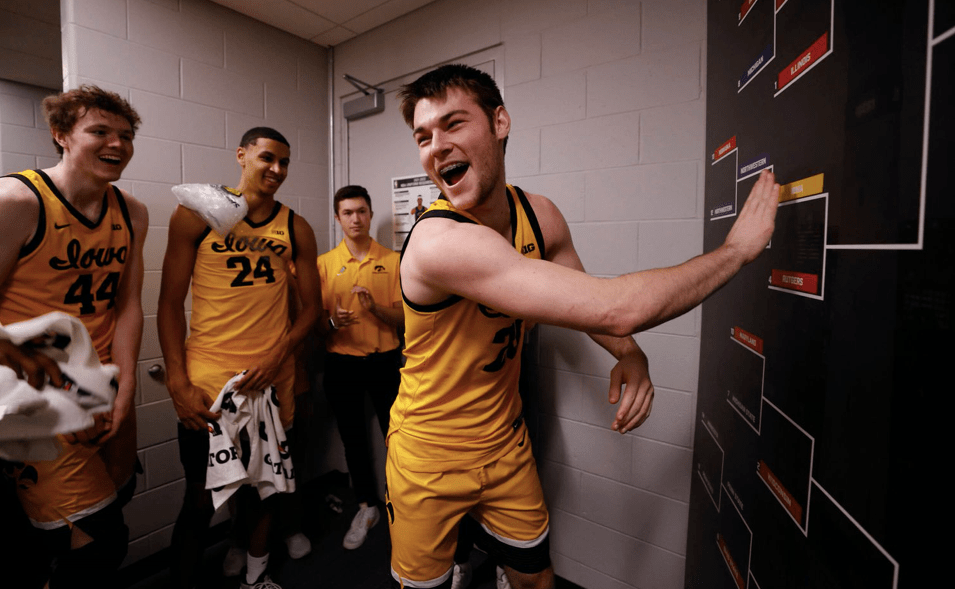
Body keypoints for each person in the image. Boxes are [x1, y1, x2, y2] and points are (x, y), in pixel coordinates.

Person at [388, 64, 780, 589]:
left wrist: (629, 353)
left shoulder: (540, 215)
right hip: (428, 455)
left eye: (453, 124)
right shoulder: (439, 242)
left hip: (504, 444)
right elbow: (617, 308)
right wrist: (734, 252)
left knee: (536, 580)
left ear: (500, 122)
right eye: (423, 137)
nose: (437, 146)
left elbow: (587, 298)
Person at [158, 127, 321, 589]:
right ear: (242, 156)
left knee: (264, 488)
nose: (277, 169)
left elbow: (312, 308)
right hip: (210, 380)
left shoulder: (295, 227)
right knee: (199, 498)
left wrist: (280, 353)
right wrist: (177, 380)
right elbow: (169, 303)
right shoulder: (198, 214)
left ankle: (256, 575)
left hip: (272, 379)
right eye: (267, 157)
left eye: (284, 162)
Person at [0, 85, 147, 588]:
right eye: (100, 131)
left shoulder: (132, 211)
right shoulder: (17, 200)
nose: (117, 144)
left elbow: (127, 304)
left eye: (125, 135)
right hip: (36, 397)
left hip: (103, 385)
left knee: (115, 499)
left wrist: (126, 383)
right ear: (61, 135)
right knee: (96, 544)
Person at [317, 185, 403, 549]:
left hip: (385, 362)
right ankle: (367, 507)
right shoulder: (324, 264)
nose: (356, 219)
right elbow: (316, 324)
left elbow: (403, 319)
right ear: (338, 218)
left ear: (370, 213)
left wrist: (374, 310)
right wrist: (333, 322)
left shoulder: (393, 260)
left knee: (398, 438)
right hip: (342, 364)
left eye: (362, 211)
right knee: (353, 439)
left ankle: (402, 505)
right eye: (348, 213)